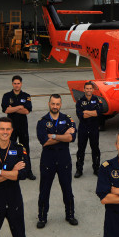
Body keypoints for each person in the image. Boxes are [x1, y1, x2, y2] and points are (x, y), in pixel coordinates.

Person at [35, 94, 78, 228]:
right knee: (44, 190)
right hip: (48, 160)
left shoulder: (68, 120)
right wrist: (63, 136)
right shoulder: (42, 122)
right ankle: (42, 217)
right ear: (49, 104)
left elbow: (71, 138)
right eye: (53, 104)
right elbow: (45, 142)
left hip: (64, 159)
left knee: (67, 189)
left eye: (57, 104)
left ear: (61, 105)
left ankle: (70, 215)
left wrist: (53, 135)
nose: (55, 106)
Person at [1, 75, 36, 180]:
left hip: (23, 127)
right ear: (12, 84)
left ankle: (28, 171)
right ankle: (10, 171)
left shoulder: (26, 96)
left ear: (21, 84)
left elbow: (27, 111)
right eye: (15, 83)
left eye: (18, 83)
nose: (17, 85)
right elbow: (6, 110)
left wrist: (13, 108)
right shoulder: (7, 96)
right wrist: (20, 107)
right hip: (10, 128)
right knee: (9, 149)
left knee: (25, 149)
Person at [75, 81, 103, 178]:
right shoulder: (79, 101)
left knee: (95, 149)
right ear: (84, 89)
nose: (89, 90)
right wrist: (92, 113)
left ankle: (96, 168)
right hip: (83, 129)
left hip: (94, 129)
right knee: (81, 150)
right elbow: (81, 115)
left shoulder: (97, 100)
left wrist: (87, 112)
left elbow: (99, 113)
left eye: (90, 88)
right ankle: (79, 169)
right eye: (87, 88)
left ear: (93, 89)